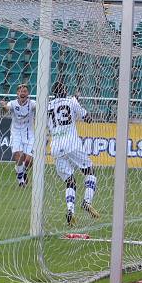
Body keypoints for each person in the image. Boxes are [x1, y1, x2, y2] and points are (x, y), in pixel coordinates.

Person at [46, 83, 99, 227]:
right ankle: (87, 202)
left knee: (70, 181)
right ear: (64, 91)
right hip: (72, 144)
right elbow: (88, 119)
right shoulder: (72, 101)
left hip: (55, 147)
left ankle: (70, 210)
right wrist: (77, 104)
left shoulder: (48, 106)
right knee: (90, 171)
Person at [0, 83, 35, 187]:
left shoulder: (32, 103)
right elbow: (6, 109)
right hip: (16, 133)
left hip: (29, 134)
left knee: (29, 161)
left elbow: (42, 107)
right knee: (18, 156)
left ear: (28, 93)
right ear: (17, 93)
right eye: (20, 91)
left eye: (24, 91)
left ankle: (20, 170)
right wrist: (3, 106)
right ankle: (21, 180)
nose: (22, 93)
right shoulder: (13, 103)